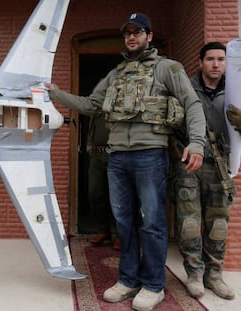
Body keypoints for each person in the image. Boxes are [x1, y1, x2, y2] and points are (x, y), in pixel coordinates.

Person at [46, 12, 206, 311]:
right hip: (117, 157)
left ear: (148, 35)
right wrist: (55, 93)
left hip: (150, 155)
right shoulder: (116, 74)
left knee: (153, 223)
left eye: (138, 31)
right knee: (124, 223)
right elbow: (90, 105)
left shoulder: (167, 68)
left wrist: (197, 142)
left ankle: (154, 285)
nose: (131, 37)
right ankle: (128, 279)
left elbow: (191, 103)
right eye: (127, 33)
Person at [170, 42, 240, 300]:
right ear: (200, 62)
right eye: (210, 59)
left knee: (218, 224)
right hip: (189, 164)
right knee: (189, 223)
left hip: (220, 167)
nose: (215, 64)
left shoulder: (236, 92)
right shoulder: (185, 89)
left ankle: (214, 275)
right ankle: (194, 275)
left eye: (220, 59)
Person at [87, 113, 119, 250]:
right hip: (97, 155)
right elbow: (91, 128)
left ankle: (121, 235)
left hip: (117, 155)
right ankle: (102, 230)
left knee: (118, 198)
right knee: (94, 193)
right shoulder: (98, 107)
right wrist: (89, 147)